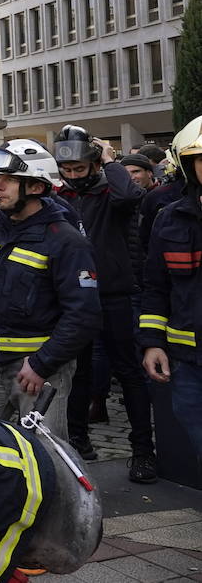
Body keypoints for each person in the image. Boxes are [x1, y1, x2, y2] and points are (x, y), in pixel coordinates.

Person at [0, 140, 100, 439]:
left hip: (37, 370)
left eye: (8, 180)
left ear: (35, 187)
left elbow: (83, 314)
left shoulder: (66, 240)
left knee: (45, 457)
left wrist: (41, 364)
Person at [52, 125, 155, 479]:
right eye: (67, 170)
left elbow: (129, 198)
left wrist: (111, 160)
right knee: (78, 373)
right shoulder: (60, 196)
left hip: (114, 294)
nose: (73, 176)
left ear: (94, 164)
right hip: (75, 299)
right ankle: (78, 438)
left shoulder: (111, 191)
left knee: (128, 371)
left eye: (79, 169)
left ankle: (143, 449)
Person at [138, 115, 202, 466]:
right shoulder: (170, 218)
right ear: (189, 165)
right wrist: (152, 342)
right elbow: (156, 287)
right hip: (189, 364)